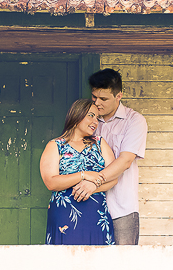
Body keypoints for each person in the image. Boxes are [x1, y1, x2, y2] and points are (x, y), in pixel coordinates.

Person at [81, 68, 147, 245]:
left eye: (103, 99)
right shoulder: (87, 121)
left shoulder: (135, 121)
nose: (97, 103)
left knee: (123, 265)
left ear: (119, 96)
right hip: (89, 203)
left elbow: (125, 161)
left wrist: (93, 182)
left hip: (121, 206)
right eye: (94, 97)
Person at [39, 99, 118, 245]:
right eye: (91, 115)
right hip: (64, 216)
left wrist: (93, 187)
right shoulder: (56, 145)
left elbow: (114, 178)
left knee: (97, 263)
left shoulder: (100, 143)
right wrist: (84, 175)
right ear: (76, 116)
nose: (96, 121)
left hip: (97, 216)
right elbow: (51, 182)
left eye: (97, 118)